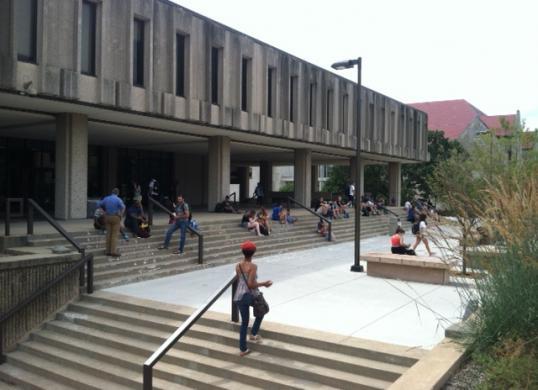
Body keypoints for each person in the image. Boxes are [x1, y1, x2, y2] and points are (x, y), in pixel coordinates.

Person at [234, 240, 272, 356]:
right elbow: (250, 284)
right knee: (262, 310)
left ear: (243, 252)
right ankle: (254, 333)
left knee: (244, 323)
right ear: (253, 253)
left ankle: (243, 349)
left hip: (238, 296)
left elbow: (240, 280)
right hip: (249, 295)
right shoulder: (253, 266)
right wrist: (264, 284)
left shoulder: (238, 265)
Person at [98, 188, 125, 257]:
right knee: (114, 235)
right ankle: (113, 251)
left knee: (108, 234)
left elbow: (99, 204)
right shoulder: (118, 199)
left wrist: (103, 212)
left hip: (107, 216)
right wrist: (121, 215)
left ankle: (107, 251)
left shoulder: (106, 198)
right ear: (117, 193)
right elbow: (123, 207)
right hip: (115, 217)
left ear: (112, 192)